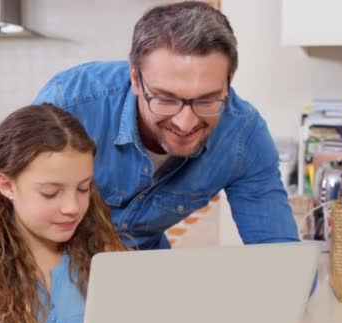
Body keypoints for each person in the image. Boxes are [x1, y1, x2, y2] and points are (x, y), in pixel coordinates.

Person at [33, 1, 300, 250]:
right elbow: (8, 221)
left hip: (145, 272)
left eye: (207, 100)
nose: (186, 124)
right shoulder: (68, 105)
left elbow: (283, 259)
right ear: (136, 79)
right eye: (165, 99)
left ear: (229, 80)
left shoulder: (244, 136)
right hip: (51, 270)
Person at [0, 104, 128, 323]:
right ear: (7, 185)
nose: (73, 207)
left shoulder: (104, 255)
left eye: (83, 188)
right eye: (50, 193)